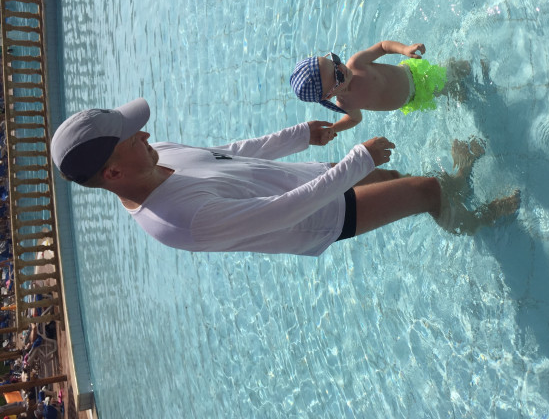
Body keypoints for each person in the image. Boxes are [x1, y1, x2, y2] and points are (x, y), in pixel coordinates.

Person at [50, 98, 519, 256]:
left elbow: (229, 155)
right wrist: (357, 161)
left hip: (308, 176)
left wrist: (299, 136)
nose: (145, 133)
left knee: (398, 176)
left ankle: (458, 187)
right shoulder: (180, 221)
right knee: (424, 190)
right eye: (131, 137)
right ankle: (481, 220)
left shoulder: (152, 155)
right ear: (113, 172)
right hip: (319, 215)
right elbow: (285, 212)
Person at [290, 40, 467, 133]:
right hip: (414, 99)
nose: (341, 68)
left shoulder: (356, 64)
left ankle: (471, 63)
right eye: (337, 76)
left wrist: (404, 49)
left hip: (416, 74)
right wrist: (334, 128)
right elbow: (354, 119)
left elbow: (383, 47)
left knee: (458, 70)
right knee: (453, 91)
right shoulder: (346, 104)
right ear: (328, 95)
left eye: (335, 61)